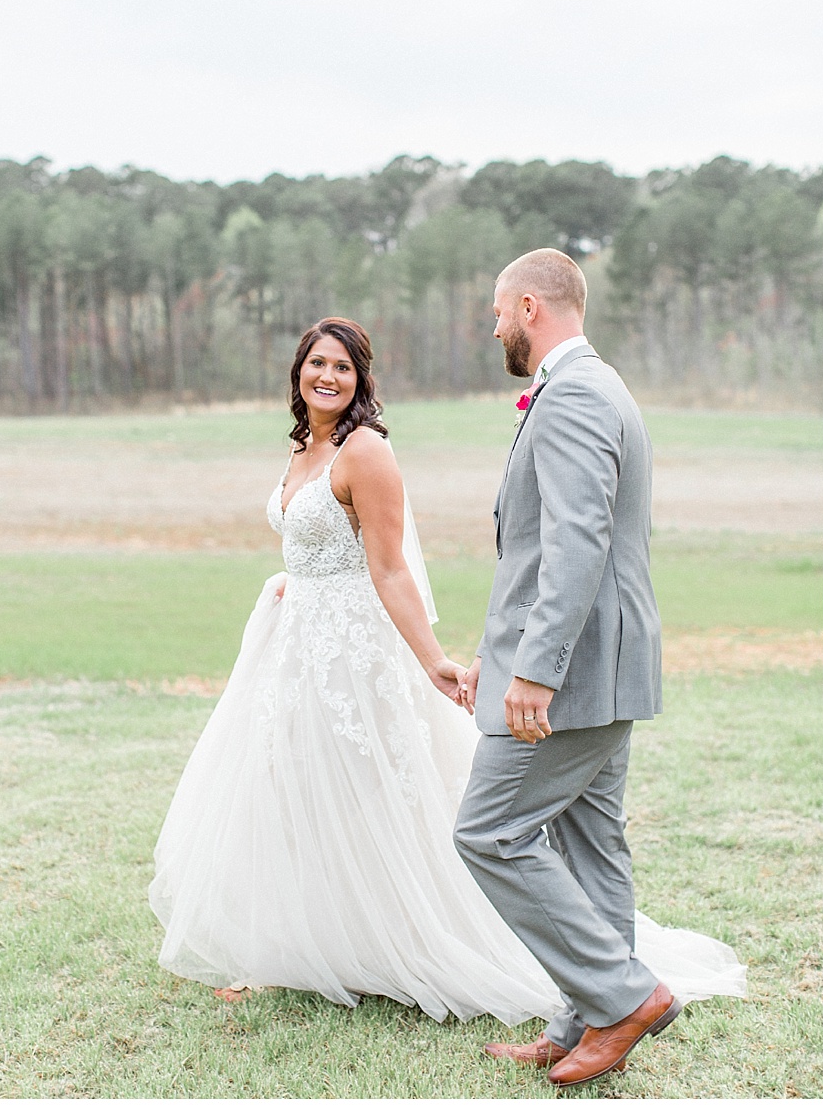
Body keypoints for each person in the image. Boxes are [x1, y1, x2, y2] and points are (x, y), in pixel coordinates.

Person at [148, 315, 743, 1035]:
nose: (328, 377)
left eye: (343, 367)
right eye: (317, 364)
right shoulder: (303, 447)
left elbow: (391, 567)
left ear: (361, 380)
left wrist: (435, 662)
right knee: (292, 787)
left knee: (386, 798)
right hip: (295, 647)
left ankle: (585, 985)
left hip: (354, 657)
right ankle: (306, 949)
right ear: (297, 374)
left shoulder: (364, 452)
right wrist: (291, 584)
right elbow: (316, 545)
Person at [451, 248, 704, 1088]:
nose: (492, 326)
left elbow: (575, 543)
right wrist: (502, 658)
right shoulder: (598, 387)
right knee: (591, 841)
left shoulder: (577, 395)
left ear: (530, 307)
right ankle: (585, 1015)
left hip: (577, 671)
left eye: (497, 310)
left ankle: (626, 996)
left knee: (488, 831)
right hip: (603, 667)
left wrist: (537, 671)